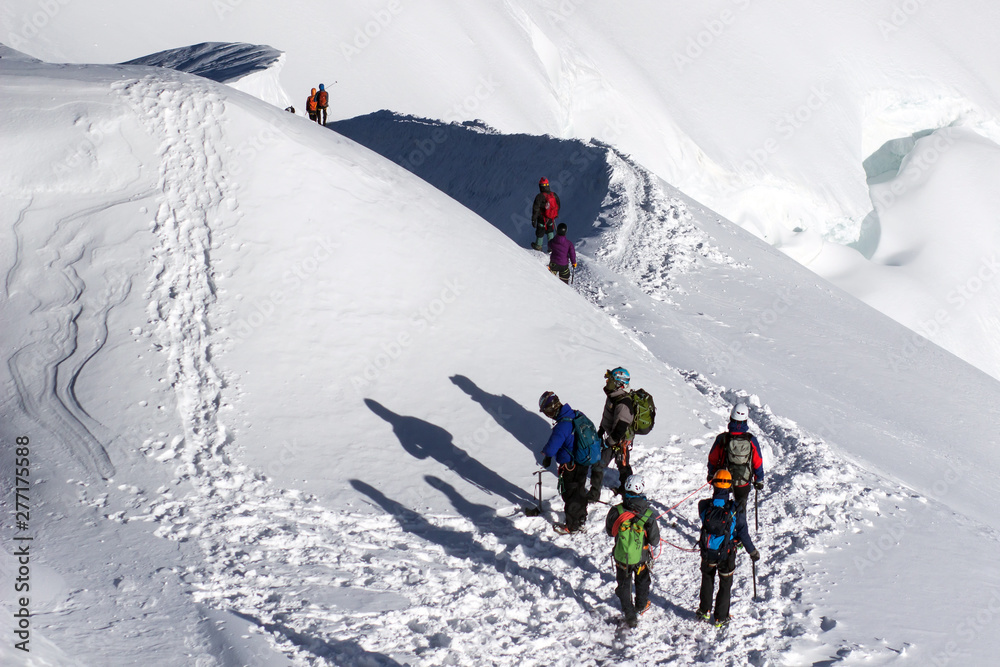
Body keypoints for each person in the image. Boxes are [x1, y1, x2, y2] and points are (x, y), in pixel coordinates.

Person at [696, 470, 760, 627]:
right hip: (727, 552)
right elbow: (743, 533)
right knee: (725, 583)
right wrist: (752, 551)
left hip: (708, 551)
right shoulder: (735, 508)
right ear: (730, 486)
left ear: (713, 484)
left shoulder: (703, 506)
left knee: (707, 579)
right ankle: (721, 617)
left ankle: (704, 610)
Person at [605, 474, 660, 628]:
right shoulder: (648, 514)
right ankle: (641, 605)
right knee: (642, 580)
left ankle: (629, 613)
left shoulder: (617, 510)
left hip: (622, 555)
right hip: (641, 557)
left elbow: (610, 532)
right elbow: (655, 541)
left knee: (624, 583)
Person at [538, 391, 588, 534]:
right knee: (579, 492)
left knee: (570, 495)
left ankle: (571, 526)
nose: (548, 416)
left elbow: (552, 447)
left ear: (551, 409)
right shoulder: (575, 414)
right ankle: (581, 519)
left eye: (546, 412)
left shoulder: (563, 425)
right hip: (584, 461)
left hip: (571, 466)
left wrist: (546, 455)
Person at [707, 403, 764, 516]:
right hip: (743, 480)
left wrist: (711, 474)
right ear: (746, 420)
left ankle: (717, 530)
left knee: (719, 508)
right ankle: (739, 531)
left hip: (723, 479)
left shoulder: (722, 438)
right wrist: (759, 479)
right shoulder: (751, 440)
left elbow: (713, 458)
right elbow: (758, 462)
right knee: (740, 510)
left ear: (731, 418)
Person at [588, 367, 634, 501]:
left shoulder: (623, 402)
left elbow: (621, 427)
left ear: (619, 383)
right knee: (621, 466)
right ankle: (622, 490)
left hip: (619, 440)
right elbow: (607, 416)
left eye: (610, 380)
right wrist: (601, 429)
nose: (607, 382)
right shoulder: (613, 397)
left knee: (607, 464)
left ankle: (597, 493)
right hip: (613, 437)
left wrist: (609, 442)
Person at [530, 177, 560, 251]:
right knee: (550, 231)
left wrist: (533, 219)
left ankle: (538, 245)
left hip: (541, 217)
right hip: (551, 217)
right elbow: (558, 205)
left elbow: (536, 209)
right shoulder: (554, 195)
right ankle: (551, 247)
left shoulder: (539, 196)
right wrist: (553, 213)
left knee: (540, 231)